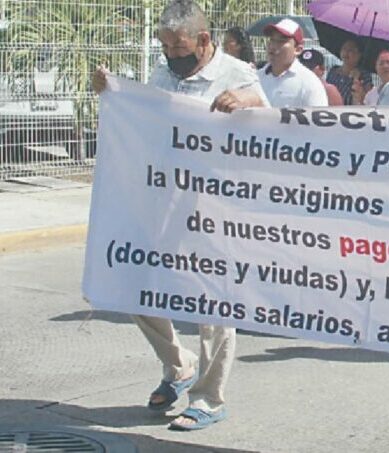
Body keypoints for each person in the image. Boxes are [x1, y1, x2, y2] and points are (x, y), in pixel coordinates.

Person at [91, 0, 269, 431]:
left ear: (203, 40)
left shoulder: (237, 73)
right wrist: (114, 94)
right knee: (136, 284)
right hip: (163, 200)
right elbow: (148, 118)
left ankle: (208, 396)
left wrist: (245, 100)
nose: (171, 54)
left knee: (212, 300)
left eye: (178, 44)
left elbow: (269, 119)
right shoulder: (163, 73)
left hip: (215, 205)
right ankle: (177, 364)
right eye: (165, 45)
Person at [256, 18, 327, 108]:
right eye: (272, 40)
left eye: (281, 41)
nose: (273, 46)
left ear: (298, 49)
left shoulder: (309, 83)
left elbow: (317, 119)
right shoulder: (256, 78)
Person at [326, 38, 373, 105]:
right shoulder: (333, 71)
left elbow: (368, 98)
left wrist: (356, 79)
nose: (346, 53)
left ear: (359, 55)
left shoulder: (364, 75)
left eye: (351, 50)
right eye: (344, 49)